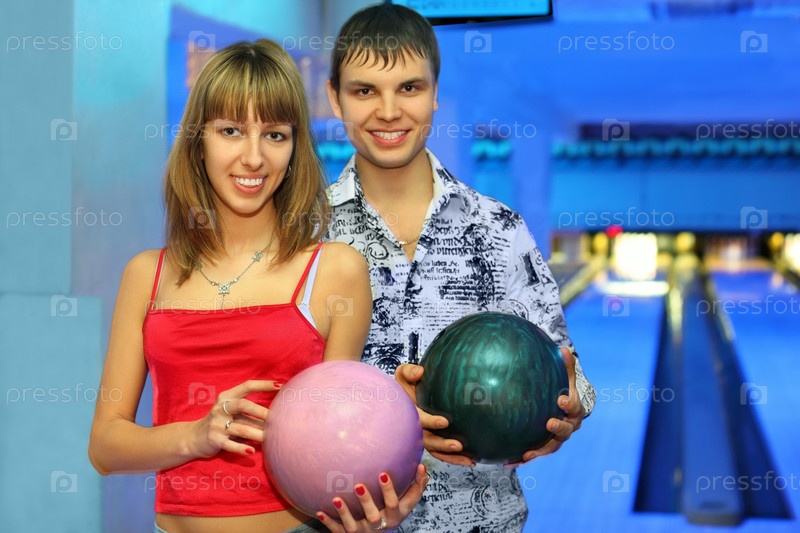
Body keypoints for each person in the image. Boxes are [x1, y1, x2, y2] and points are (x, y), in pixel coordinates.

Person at [88, 39, 427, 533]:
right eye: (230, 131)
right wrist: (196, 435)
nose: (253, 157)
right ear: (198, 141)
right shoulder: (146, 274)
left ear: (294, 148)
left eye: (275, 134)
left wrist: (377, 495)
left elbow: (336, 440)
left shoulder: (334, 270)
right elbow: (105, 447)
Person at [324, 4, 597, 531]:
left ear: (435, 94)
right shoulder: (302, 235)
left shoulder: (500, 228)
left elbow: (567, 369)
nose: (388, 111)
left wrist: (572, 407)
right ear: (335, 98)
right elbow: (283, 393)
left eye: (409, 87)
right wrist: (388, 419)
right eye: (365, 91)